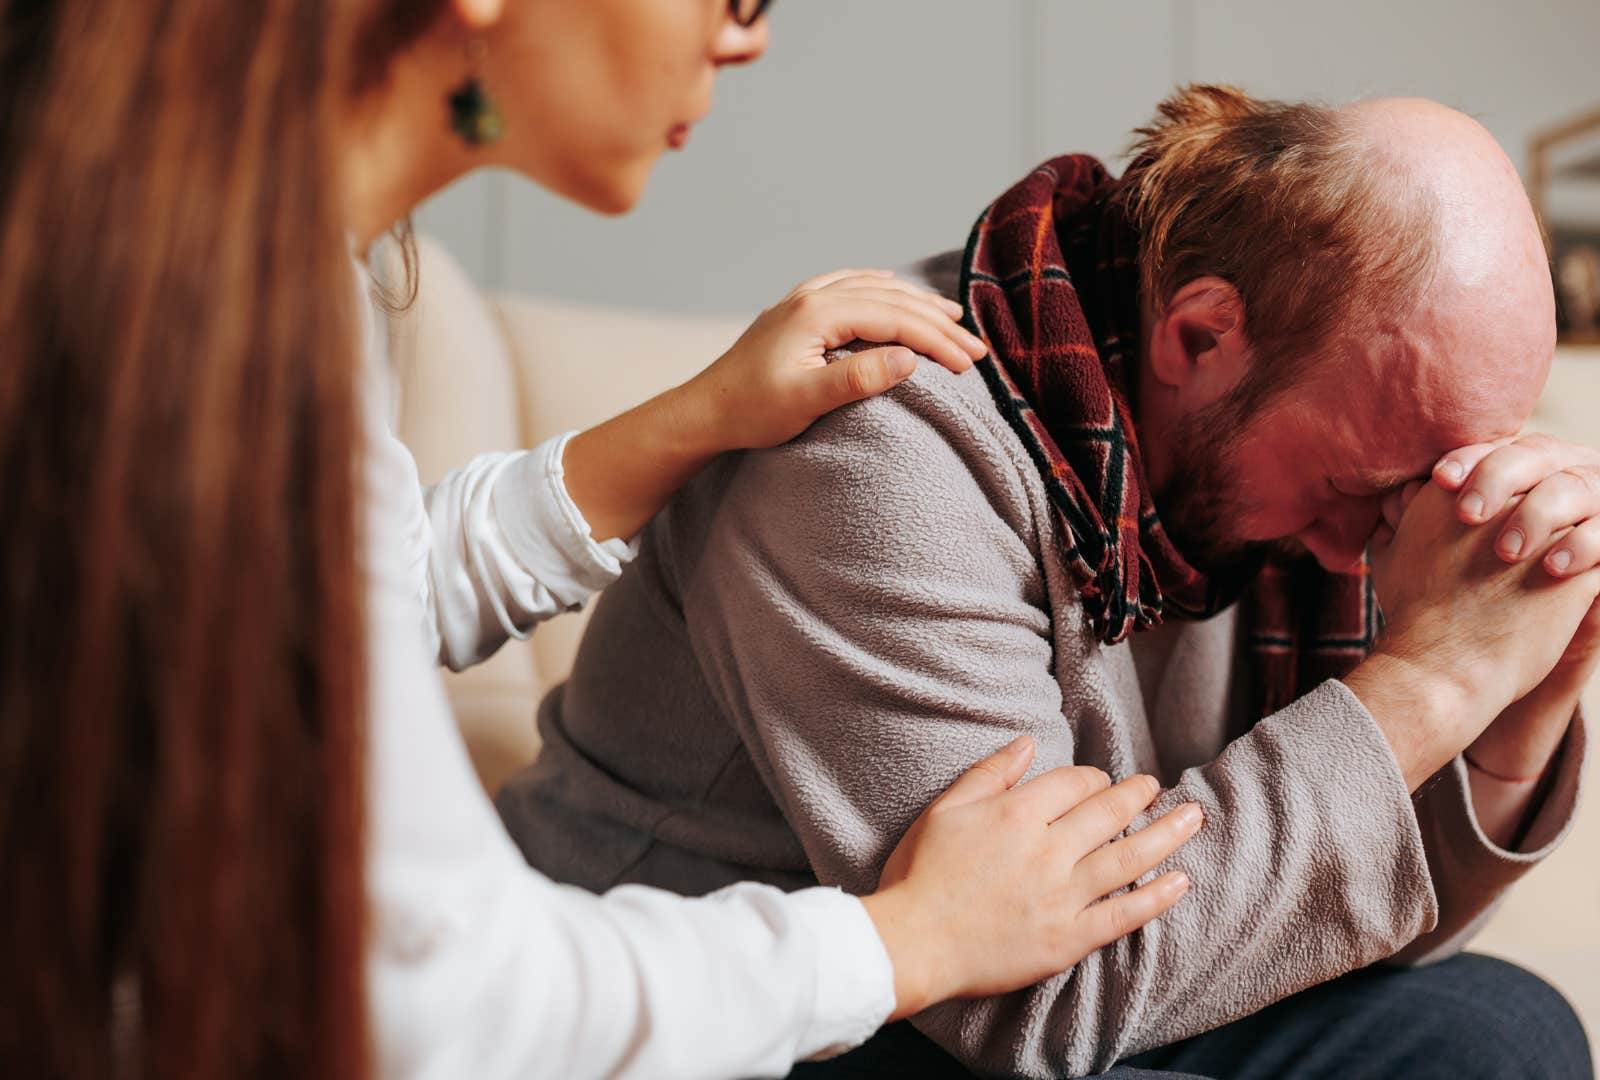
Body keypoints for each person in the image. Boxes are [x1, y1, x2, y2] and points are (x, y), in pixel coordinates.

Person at [0, 2, 1206, 1078]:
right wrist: (906, 939)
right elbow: (445, 1010)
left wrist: (700, 413)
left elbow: (338, 604)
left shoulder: (245, 265)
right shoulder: (225, 344)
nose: (751, 37)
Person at [497, 86, 1600, 1079]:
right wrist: (1436, 680)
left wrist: (1529, 689)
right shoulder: (879, 441)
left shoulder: (1274, 486)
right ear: (1202, 337)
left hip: (1062, 991)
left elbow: (1361, 931)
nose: (1364, 554)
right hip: (740, 1015)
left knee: (1499, 1031)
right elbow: (1021, 1004)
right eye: (1364, 484)